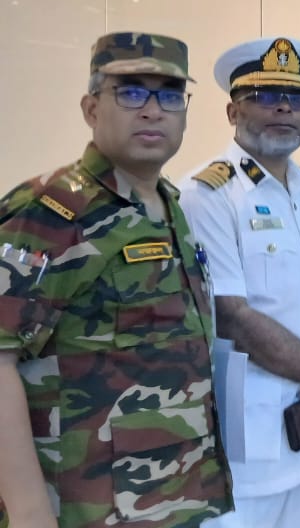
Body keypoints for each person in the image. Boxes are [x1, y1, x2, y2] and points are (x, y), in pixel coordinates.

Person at [0, 33, 232, 528]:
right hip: (85, 505)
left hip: (170, 497)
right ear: (91, 108)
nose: (153, 111)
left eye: (170, 96)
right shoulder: (52, 212)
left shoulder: (169, 204)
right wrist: (28, 512)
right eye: (131, 92)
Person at [178, 37, 300, 528]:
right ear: (232, 111)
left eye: (298, 99)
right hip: (249, 437)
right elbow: (232, 316)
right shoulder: (207, 195)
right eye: (265, 96)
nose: (284, 108)